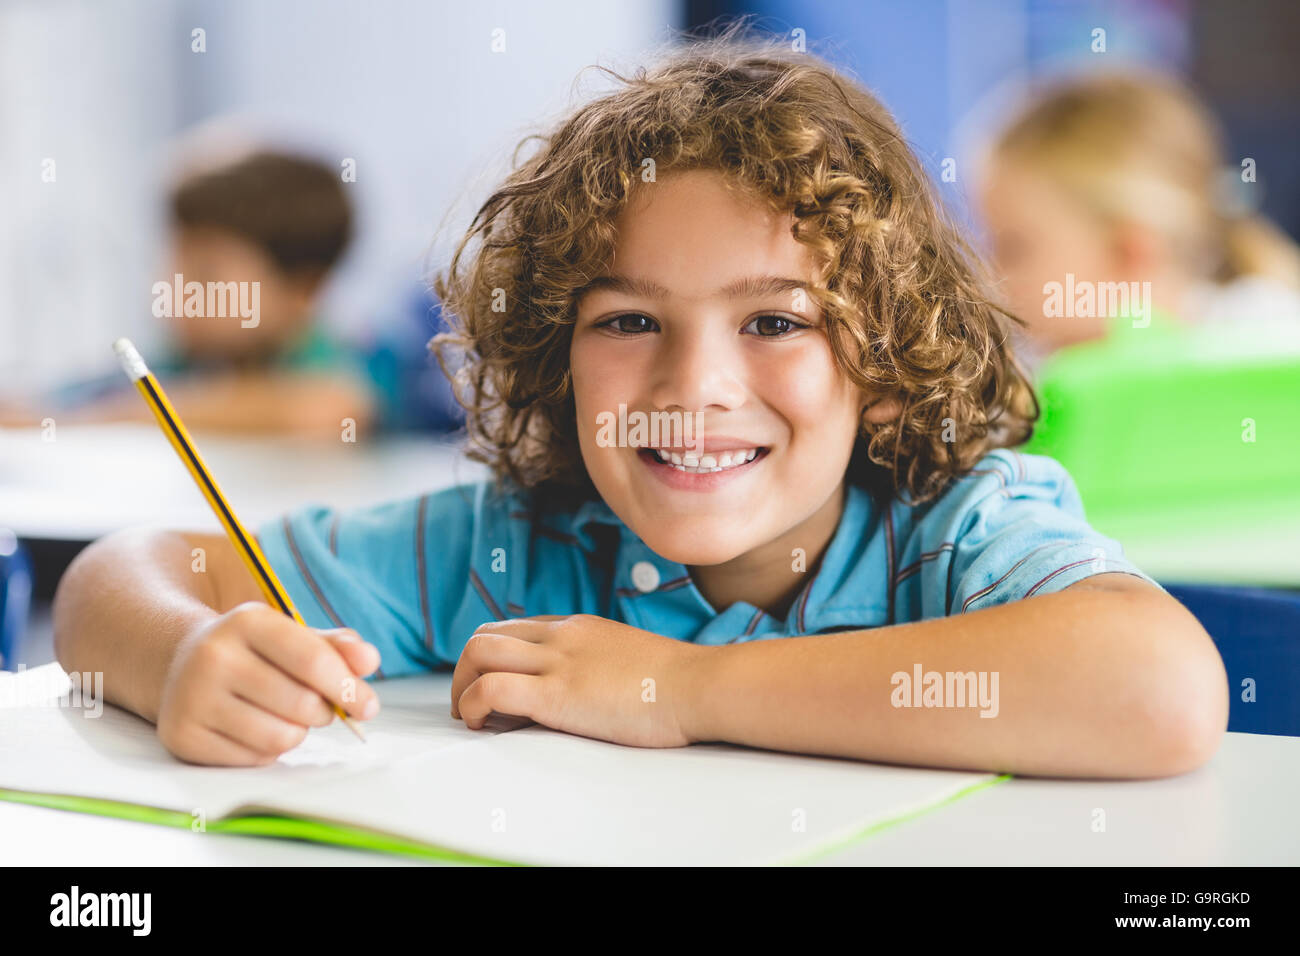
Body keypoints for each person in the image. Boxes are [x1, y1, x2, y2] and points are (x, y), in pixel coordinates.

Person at [53, 33, 1226, 779]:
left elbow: (1158, 687)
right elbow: (118, 579)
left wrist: (681, 688)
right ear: (556, 355)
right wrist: (186, 653)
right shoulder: (517, 542)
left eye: (774, 321)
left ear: (886, 356)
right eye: (626, 322)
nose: (692, 387)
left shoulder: (955, 522)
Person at [978, 70, 1300, 368]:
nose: (989, 279)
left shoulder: (1260, 351)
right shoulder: (1051, 372)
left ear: (1131, 253)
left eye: (1012, 250)